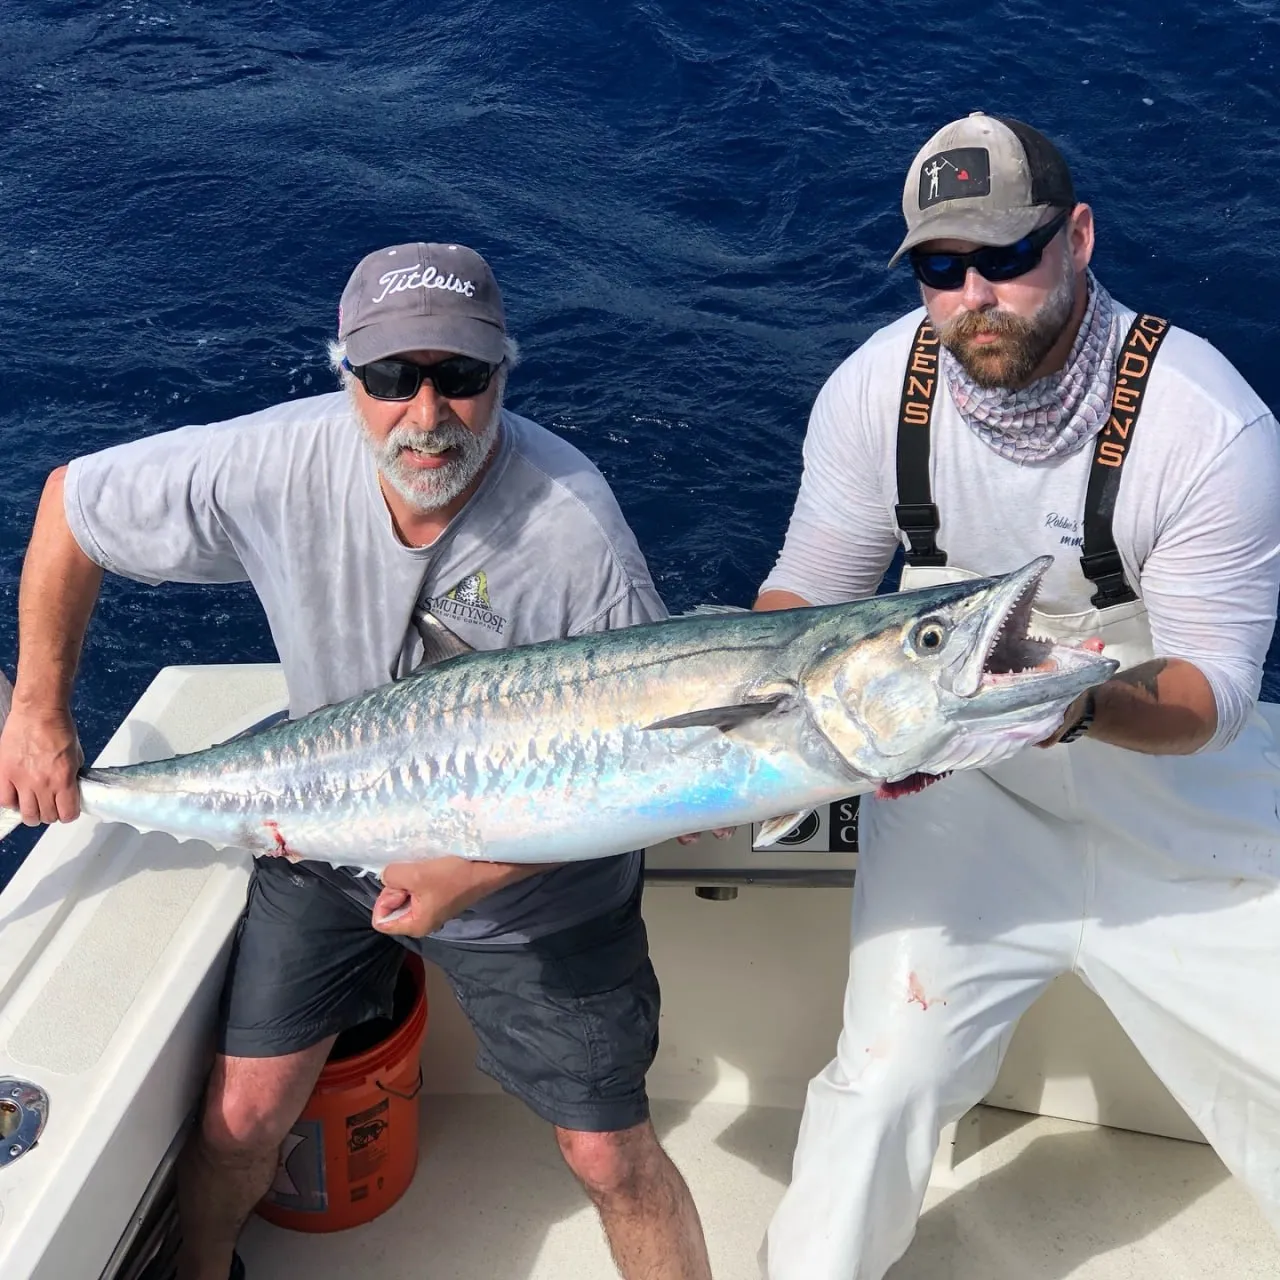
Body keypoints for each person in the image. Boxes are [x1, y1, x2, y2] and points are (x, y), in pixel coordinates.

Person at [0, 241, 713, 1280]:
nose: (425, 413)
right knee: (241, 1117)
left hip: (535, 878)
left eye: (460, 377)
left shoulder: (572, 531)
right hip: (326, 823)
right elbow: (72, 503)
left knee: (608, 1151)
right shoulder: (276, 460)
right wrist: (35, 709)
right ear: (346, 378)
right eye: (390, 378)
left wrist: (463, 872)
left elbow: (646, 773)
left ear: (503, 374)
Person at [754, 112, 1280, 1279]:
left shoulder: (1206, 426)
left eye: (1005, 256)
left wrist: (1073, 703)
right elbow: (797, 613)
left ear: (1077, 235)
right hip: (958, 799)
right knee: (877, 1088)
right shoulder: (867, 396)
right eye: (941, 269)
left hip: (1178, 809)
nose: (972, 294)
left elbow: (1211, 694)